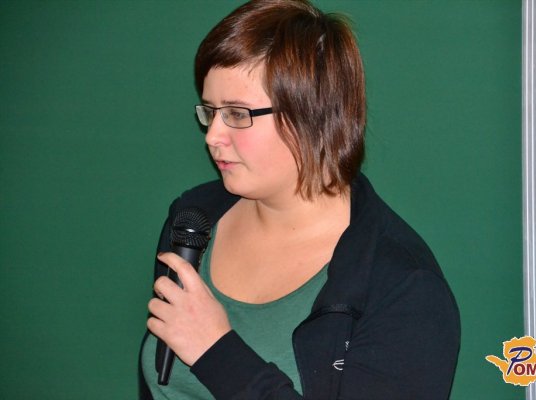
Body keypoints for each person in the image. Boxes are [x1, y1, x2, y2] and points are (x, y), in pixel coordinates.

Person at [138, 0, 460, 399]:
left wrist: (217, 353)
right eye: (210, 111)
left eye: (237, 114)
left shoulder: (403, 286)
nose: (212, 136)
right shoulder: (193, 220)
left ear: (314, 114)